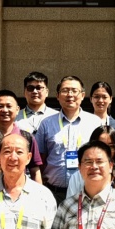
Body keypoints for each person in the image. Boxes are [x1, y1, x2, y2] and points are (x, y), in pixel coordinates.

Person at [33, 75, 100, 203]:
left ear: (82, 95)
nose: (70, 94)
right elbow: (39, 159)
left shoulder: (94, 123)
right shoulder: (46, 123)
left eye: (74, 91)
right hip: (54, 193)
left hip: (86, 192)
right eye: (65, 90)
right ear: (57, 96)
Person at [65, 125, 115, 201]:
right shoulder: (77, 177)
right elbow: (70, 204)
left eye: (111, 147)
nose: (106, 151)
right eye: (101, 146)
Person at [0, 89, 43, 182]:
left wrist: (38, 190)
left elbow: (35, 170)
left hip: (20, 188)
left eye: (9, 106)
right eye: (0, 106)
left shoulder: (27, 137)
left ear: (17, 110)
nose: (5, 110)